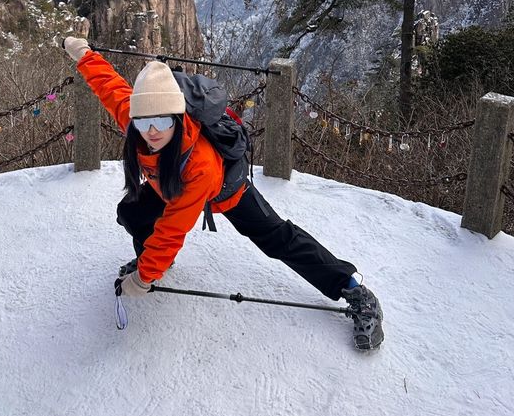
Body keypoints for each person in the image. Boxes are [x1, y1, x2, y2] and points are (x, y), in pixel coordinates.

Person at [62, 37, 384, 350]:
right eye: (145, 121)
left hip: (226, 190)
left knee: (277, 237)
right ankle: (158, 262)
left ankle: (353, 288)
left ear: (177, 117)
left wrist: (144, 277)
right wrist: (83, 53)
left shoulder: (200, 165)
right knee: (132, 211)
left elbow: (173, 229)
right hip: (171, 185)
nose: (154, 131)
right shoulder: (138, 124)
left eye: (163, 120)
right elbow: (109, 86)